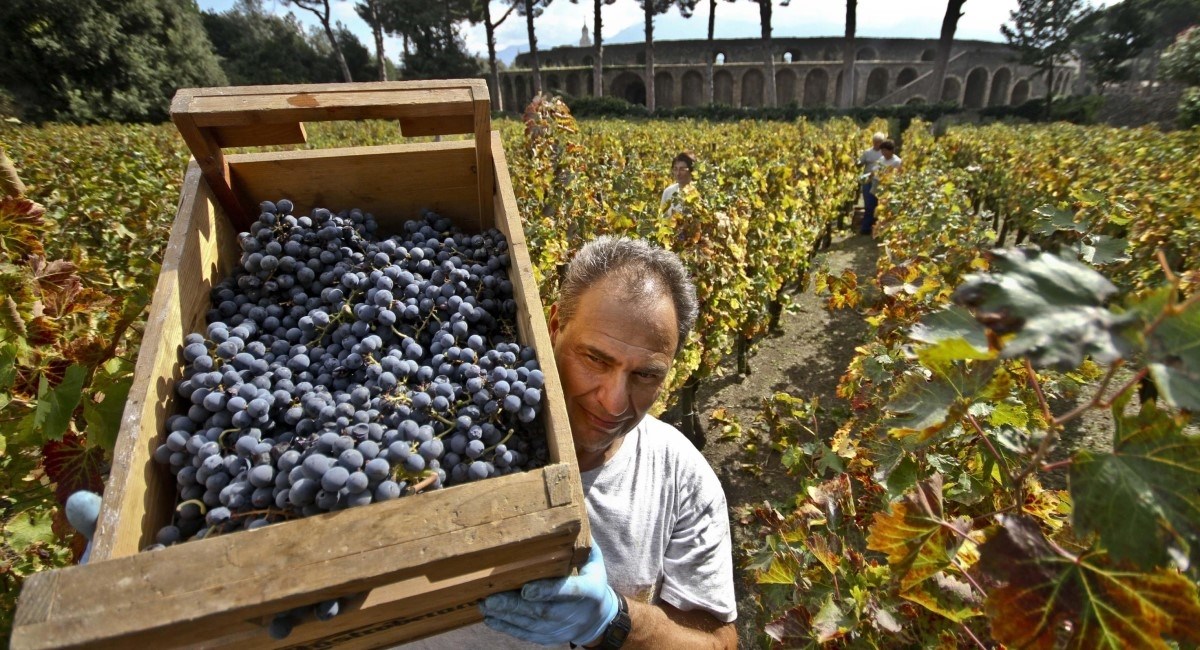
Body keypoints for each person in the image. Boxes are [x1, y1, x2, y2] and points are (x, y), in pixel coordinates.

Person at [409, 237, 738, 649]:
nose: (614, 401)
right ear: (554, 327)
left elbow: (720, 642)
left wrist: (616, 622)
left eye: (646, 375)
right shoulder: (446, 441)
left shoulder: (682, 477)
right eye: (596, 359)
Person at [863, 139, 902, 236]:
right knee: (871, 206)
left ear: (891, 150)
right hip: (876, 185)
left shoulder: (896, 162)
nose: (883, 153)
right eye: (882, 151)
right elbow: (875, 170)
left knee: (884, 209)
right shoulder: (881, 159)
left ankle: (883, 231)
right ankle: (868, 228)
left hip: (888, 188)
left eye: (885, 151)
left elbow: (897, 176)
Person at [858, 132, 886, 236]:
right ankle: (866, 228)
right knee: (869, 204)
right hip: (868, 181)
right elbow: (860, 162)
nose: (876, 144)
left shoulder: (884, 153)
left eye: (879, 142)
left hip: (880, 181)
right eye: (875, 142)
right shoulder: (867, 152)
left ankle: (877, 228)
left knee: (879, 205)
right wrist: (858, 163)